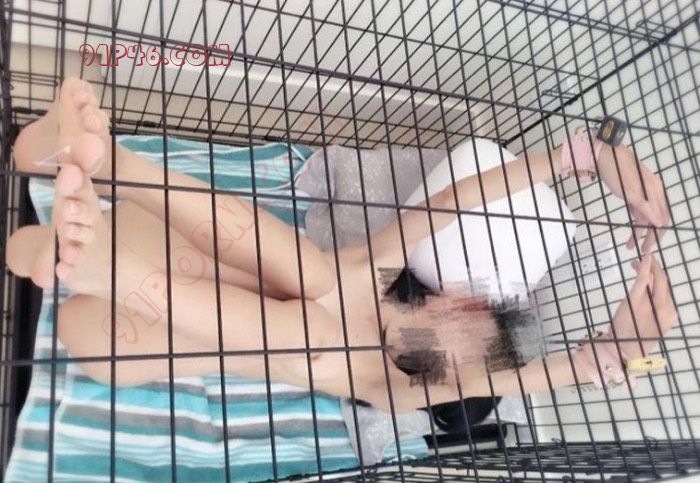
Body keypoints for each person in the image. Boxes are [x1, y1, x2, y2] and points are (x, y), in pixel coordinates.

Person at [7, 77, 678, 413]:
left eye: (477, 338)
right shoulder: (376, 269)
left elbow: (504, 378)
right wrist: (580, 159)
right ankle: (108, 163)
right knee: (315, 270)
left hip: (117, 335)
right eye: (481, 310)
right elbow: (454, 201)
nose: (471, 315)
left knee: (318, 333)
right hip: (142, 237)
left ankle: (98, 256)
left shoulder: (379, 384)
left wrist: (599, 358)